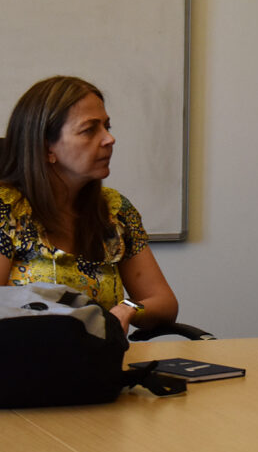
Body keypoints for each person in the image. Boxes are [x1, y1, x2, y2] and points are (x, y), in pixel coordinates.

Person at [0, 76, 179, 334]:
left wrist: (128, 308)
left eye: (107, 126)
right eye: (89, 130)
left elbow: (164, 303)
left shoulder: (115, 210)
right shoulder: (7, 209)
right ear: (47, 148)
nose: (109, 139)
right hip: (24, 357)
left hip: (101, 356)